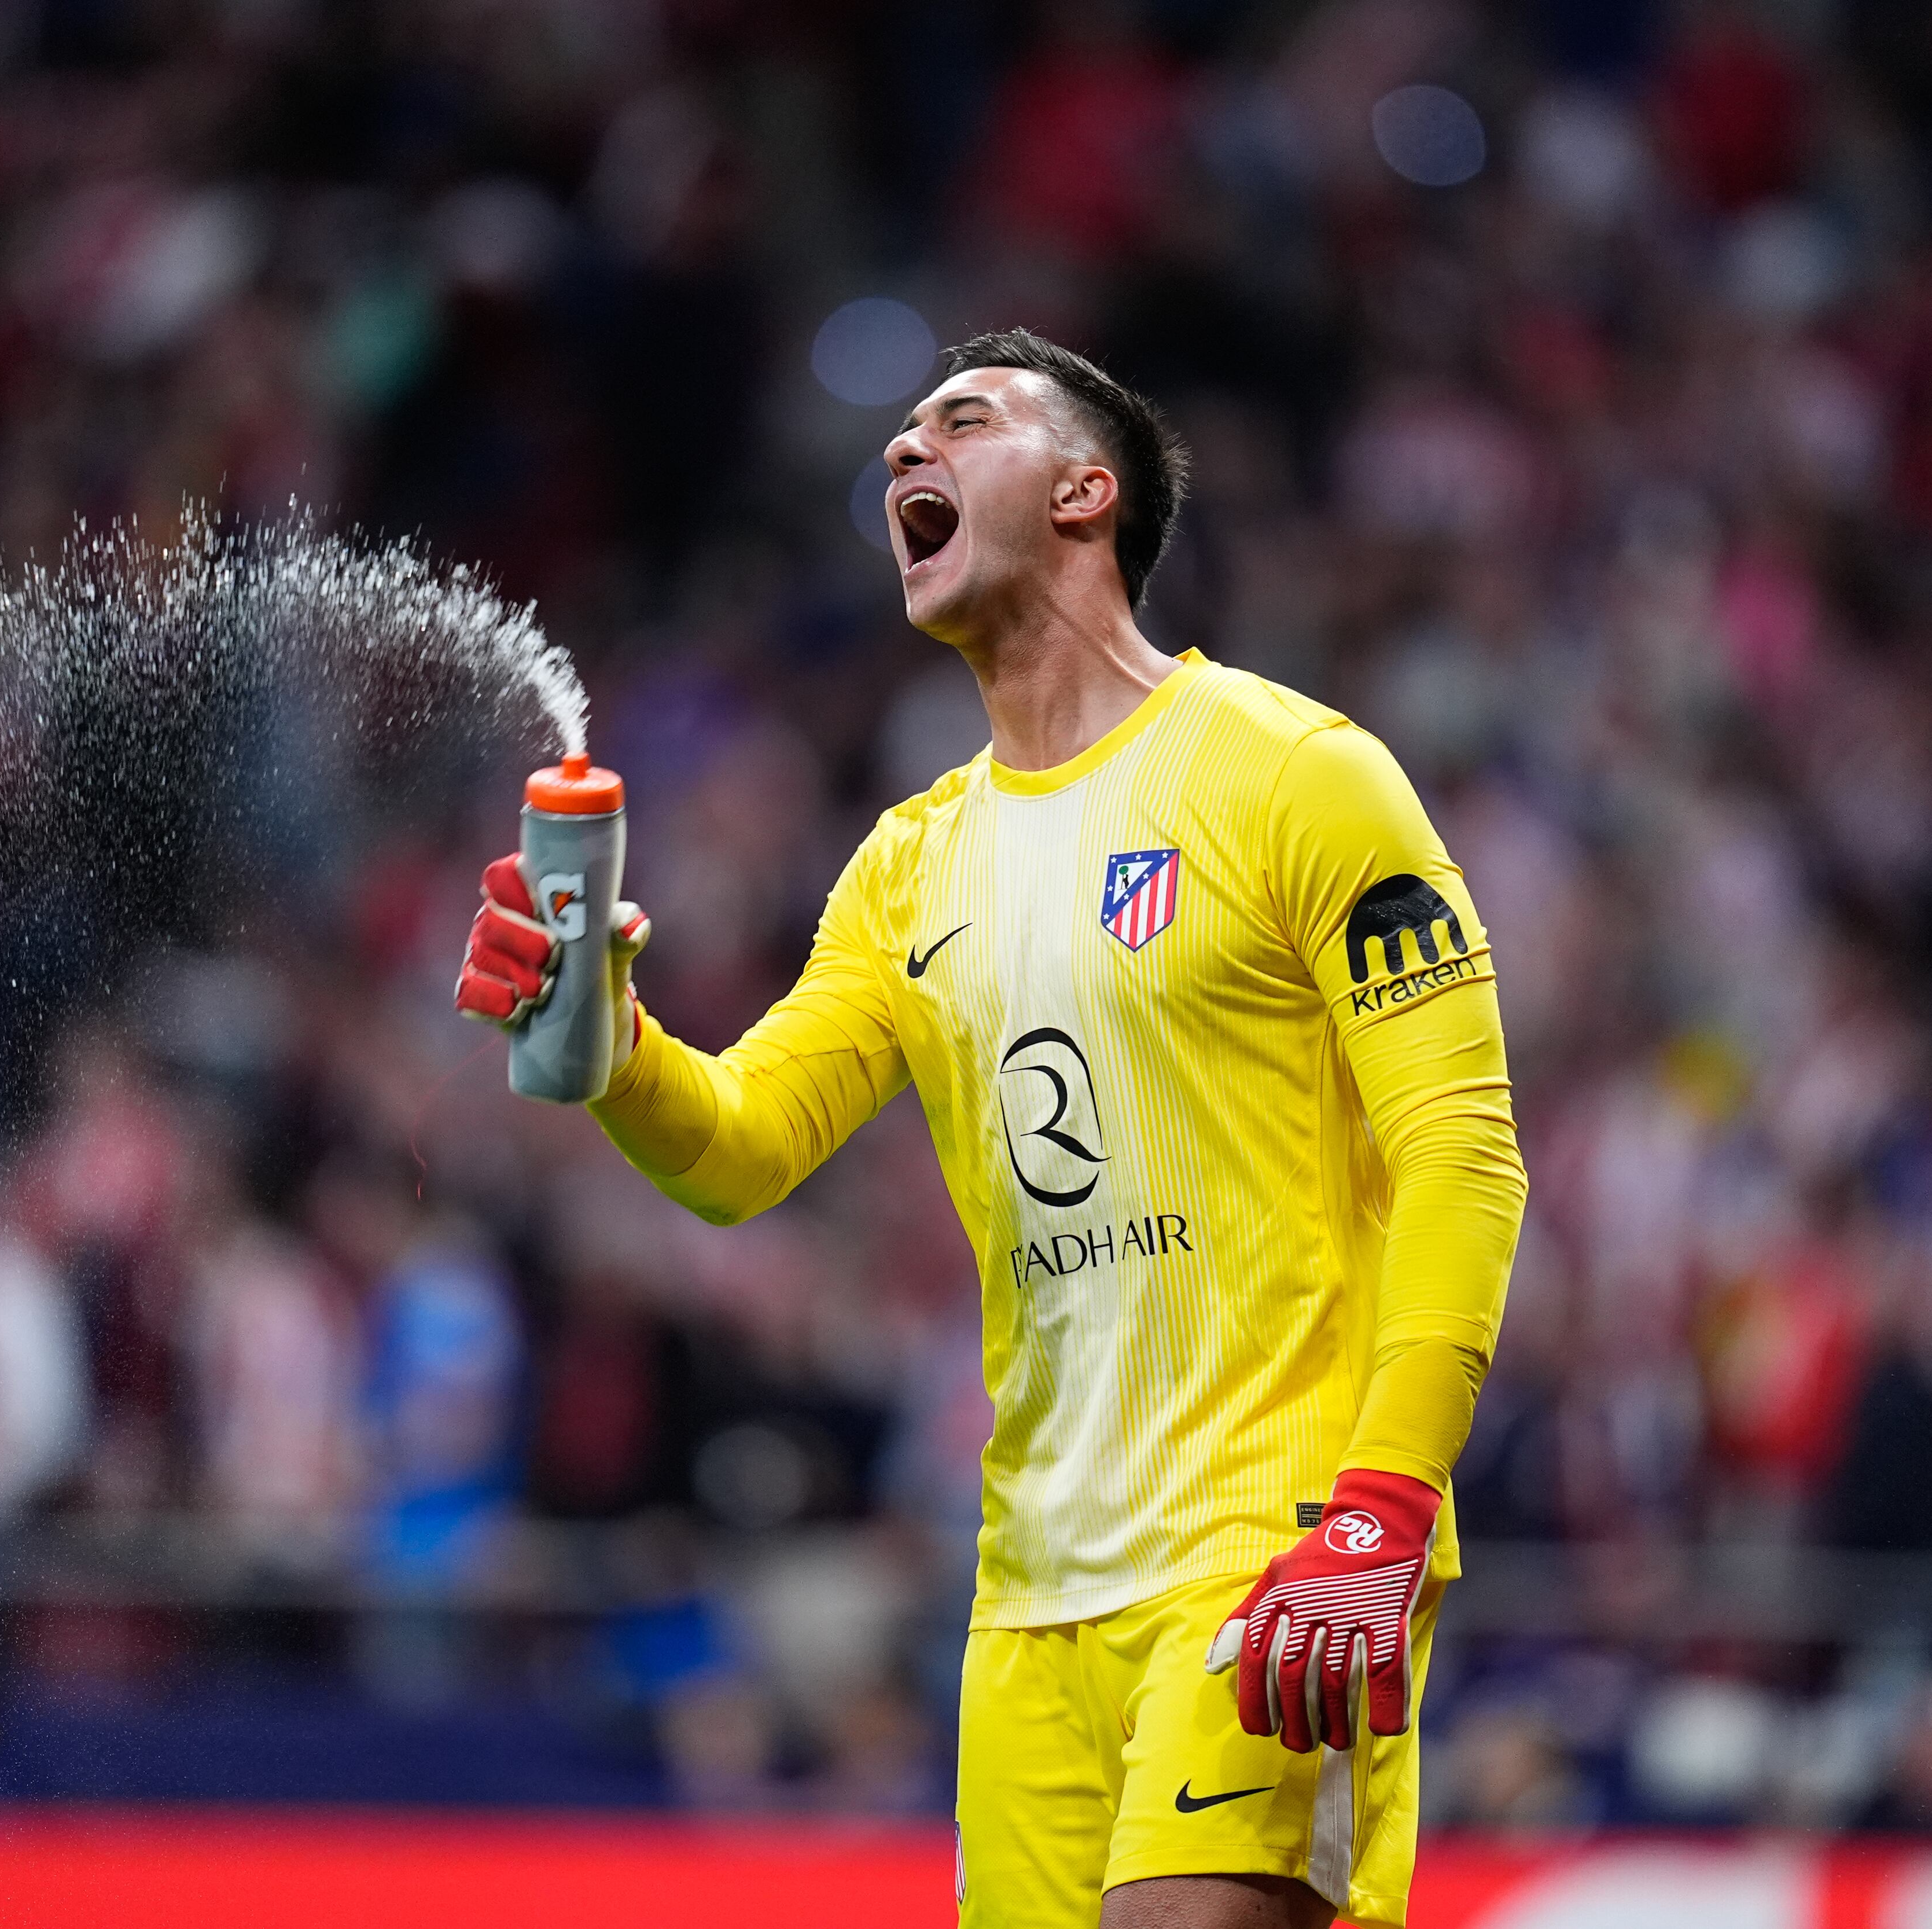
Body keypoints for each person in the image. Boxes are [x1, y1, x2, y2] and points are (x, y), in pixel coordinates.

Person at [457, 330, 1527, 1929]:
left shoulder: (1299, 777)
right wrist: (608, 1044)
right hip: (1031, 1610)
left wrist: (1385, 1502)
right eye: (896, 439)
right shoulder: (909, 866)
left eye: (962, 421)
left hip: (1270, 1543)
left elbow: (1464, 1151)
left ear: (1088, 492)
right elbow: (746, 1146)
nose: (905, 454)